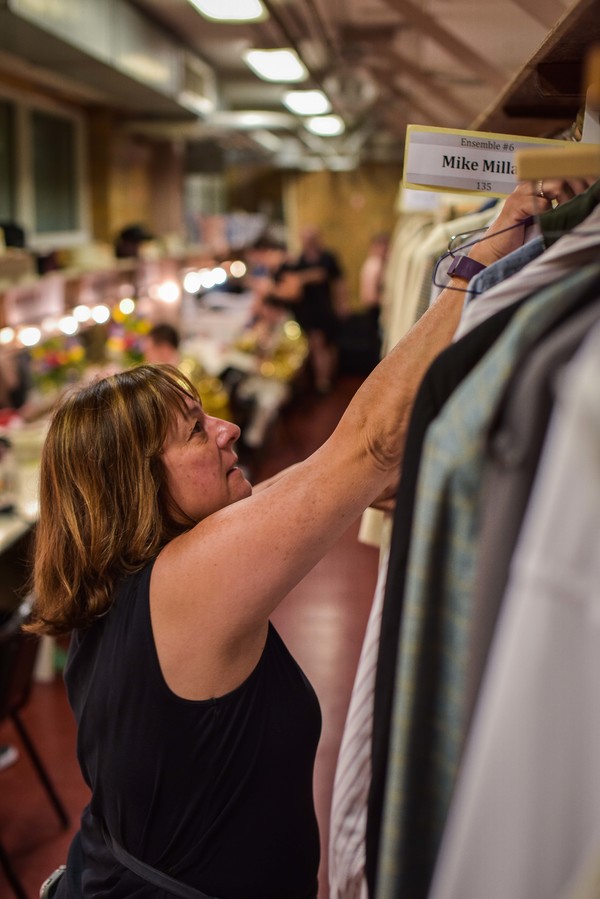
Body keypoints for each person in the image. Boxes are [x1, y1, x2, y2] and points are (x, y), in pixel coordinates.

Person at [26, 180, 568, 898]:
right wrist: (480, 262)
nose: (227, 429)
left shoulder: (143, 577)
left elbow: (325, 472)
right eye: (196, 429)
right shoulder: (185, 582)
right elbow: (366, 443)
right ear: (135, 484)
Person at [273, 225, 349, 394]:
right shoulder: (298, 260)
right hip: (309, 310)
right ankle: (323, 381)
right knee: (318, 344)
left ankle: (328, 377)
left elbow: (337, 281)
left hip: (326, 308)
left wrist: (342, 303)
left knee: (329, 345)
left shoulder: (327, 258)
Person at [143, 322, 232, 421]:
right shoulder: (183, 363)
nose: (146, 357)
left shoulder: (184, 374)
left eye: (148, 350)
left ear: (164, 349)